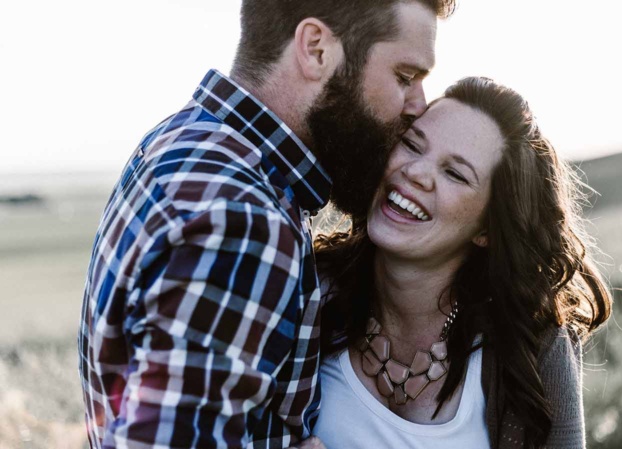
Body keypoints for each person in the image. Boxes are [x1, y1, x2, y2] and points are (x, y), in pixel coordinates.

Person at [78, 0, 456, 447]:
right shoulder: (243, 220)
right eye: (405, 77)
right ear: (316, 49)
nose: (418, 105)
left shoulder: (185, 139)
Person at [312, 77, 613, 448]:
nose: (415, 173)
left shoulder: (533, 346)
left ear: (486, 227)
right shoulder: (306, 289)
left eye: (454, 173)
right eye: (411, 144)